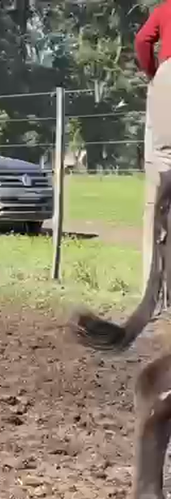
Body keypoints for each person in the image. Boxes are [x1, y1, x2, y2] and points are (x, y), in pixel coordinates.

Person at [136, 1, 171, 303]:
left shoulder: (165, 8)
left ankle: (154, 290)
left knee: (158, 190)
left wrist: (154, 74)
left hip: (168, 79)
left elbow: (142, 40)